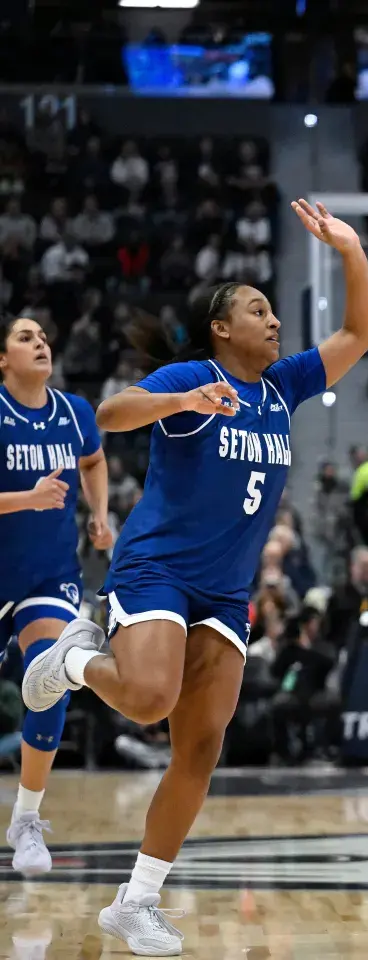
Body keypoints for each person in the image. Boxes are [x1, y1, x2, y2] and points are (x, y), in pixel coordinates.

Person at [20, 199, 368, 956]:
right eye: (258, 310)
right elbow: (111, 415)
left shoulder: (284, 387)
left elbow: (359, 333)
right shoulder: (196, 377)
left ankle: (137, 900)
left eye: (274, 311)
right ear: (223, 328)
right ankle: (73, 661)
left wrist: (350, 249)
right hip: (158, 567)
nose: (274, 322)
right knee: (148, 696)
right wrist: (181, 402)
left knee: (201, 749)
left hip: (225, 589)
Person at [0, 316, 112, 876]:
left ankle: (25, 819)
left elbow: (93, 460)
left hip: (47, 576)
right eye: (25, 337)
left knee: (49, 679)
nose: (41, 341)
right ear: (2, 360)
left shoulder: (75, 412)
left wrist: (99, 513)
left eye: (44, 335)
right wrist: (30, 498)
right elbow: (34, 496)